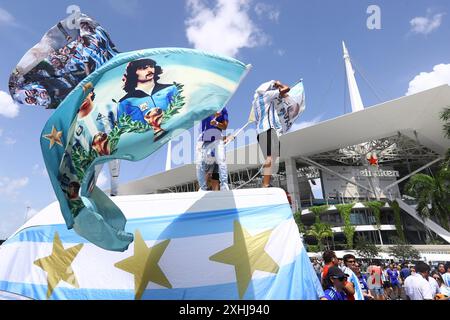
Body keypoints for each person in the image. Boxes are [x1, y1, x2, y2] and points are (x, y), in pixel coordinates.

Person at [118, 58, 178, 141]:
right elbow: (124, 132)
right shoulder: (125, 102)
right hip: (148, 146)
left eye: (151, 66)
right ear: (133, 72)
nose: (149, 70)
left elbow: (182, 111)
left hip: (176, 136)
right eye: (143, 68)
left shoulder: (170, 89)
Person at [252, 80, 290, 187]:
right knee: (270, 157)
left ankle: (267, 179)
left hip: (260, 132)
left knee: (273, 155)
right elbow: (287, 88)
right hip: (268, 129)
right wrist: (279, 83)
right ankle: (265, 184)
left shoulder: (255, 102)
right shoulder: (267, 95)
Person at [196, 108, 229, 191]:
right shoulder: (204, 108)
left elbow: (225, 126)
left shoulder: (223, 109)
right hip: (205, 142)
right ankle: (202, 188)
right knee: (201, 165)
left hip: (217, 140)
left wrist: (216, 123)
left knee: (219, 165)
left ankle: (224, 186)